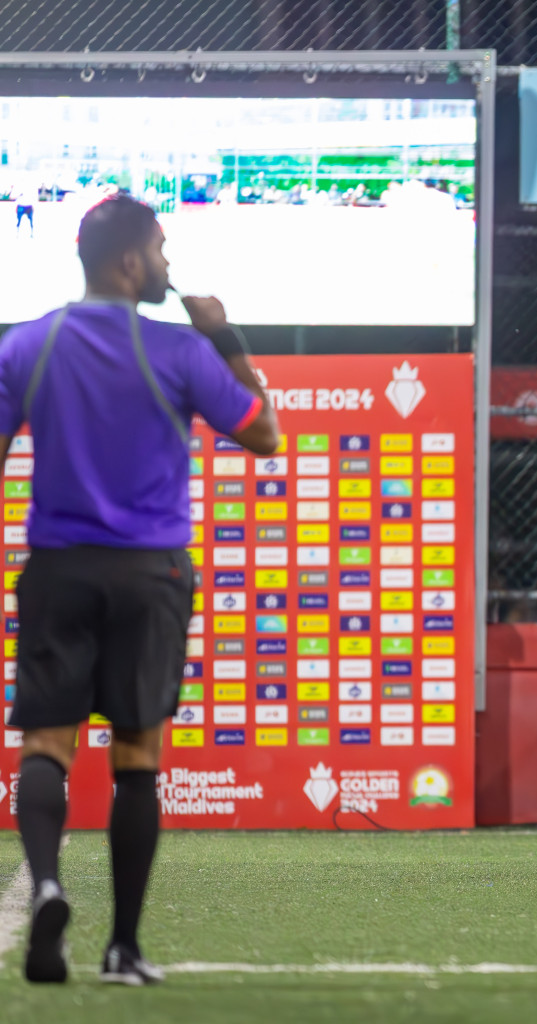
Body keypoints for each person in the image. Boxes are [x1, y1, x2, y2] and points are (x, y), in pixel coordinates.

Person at [1, 194, 279, 986]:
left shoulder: (28, 343)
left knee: (47, 745)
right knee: (136, 757)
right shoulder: (181, 352)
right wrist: (223, 334)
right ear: (129, 261)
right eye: (159, 248)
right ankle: (123, 947)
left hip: (57, 568)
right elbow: (264, 435)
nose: (166, 262)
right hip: (149, 574)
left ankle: (49, 883)